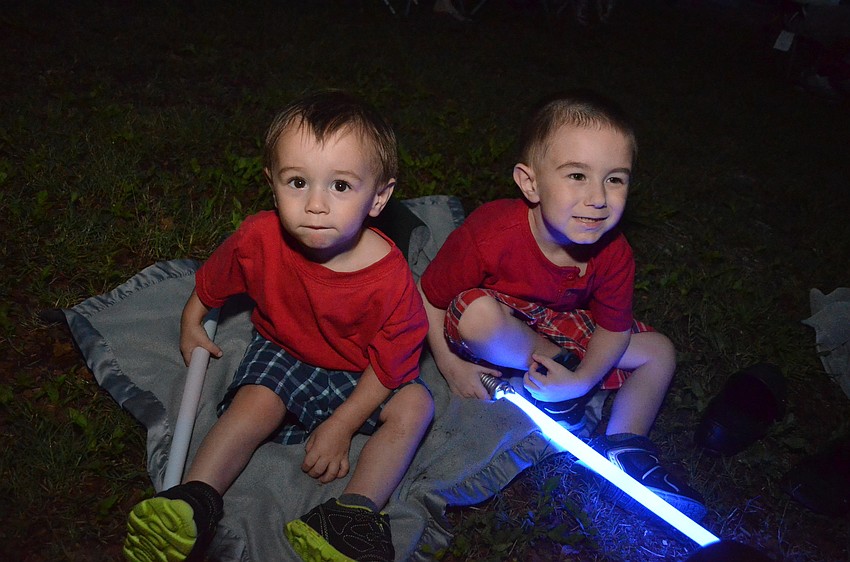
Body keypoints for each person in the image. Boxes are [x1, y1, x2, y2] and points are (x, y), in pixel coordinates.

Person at [123, 90, 434, 562]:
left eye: (341, 186)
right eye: (297, 182)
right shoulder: (259, 237)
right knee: (253, 405)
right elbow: (214, 281)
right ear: (272, 183)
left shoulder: (390, 279)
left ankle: (352, 513)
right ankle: (194, 499)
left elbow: (392, 364)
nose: (315, 204)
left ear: (380, 197)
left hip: (360, 372)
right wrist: (191, 321)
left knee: (416, 404)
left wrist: (342, 425)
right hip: (284, 350)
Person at [417, 89, 706, 519]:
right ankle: (556, 375)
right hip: (501, 319)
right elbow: (429, 295)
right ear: (530, 182)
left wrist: (585, 378)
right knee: (475, 314)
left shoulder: (613, 250)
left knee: (660, 352)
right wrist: (450, 364)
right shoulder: (491, 234)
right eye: (577, 176)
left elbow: (612, 328)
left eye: (615, 178)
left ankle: (626, 446)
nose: (599, 198)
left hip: (564, 322)